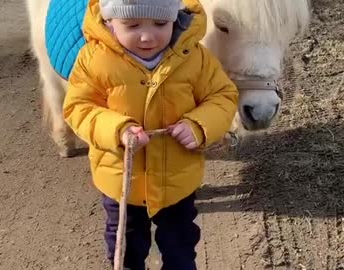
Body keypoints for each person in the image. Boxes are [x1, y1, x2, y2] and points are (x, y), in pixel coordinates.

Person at [62, 0, 239, 268]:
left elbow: (222, 96)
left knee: (180, 245)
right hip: (122, 181)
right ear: (110, 22)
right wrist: (116, 129)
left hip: (177, 179)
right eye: (131, 25)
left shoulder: (194, 56)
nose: (147, 36)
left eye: (160, 23)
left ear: (174, 19)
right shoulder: (93, 59)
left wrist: (200, 124)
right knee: (126, 246)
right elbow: (79, 108)